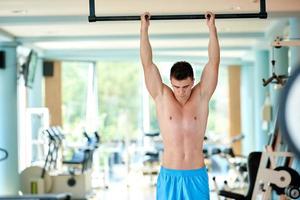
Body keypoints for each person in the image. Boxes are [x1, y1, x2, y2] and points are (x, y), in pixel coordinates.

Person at [140, 11, 220, 200]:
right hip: (170, 176)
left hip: (196, 175)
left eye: (185, 86)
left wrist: (212, 29)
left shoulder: (202, 96)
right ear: (171, 82)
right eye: (176, 86)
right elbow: (147, 64)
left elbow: (214, 63)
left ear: (193, 81)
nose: (181, 91)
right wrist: (144, 29)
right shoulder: (162, 95)